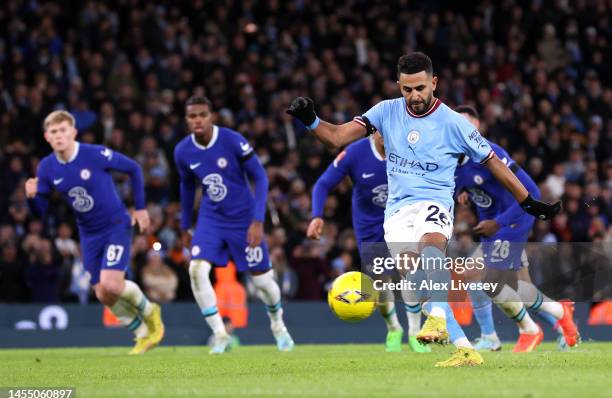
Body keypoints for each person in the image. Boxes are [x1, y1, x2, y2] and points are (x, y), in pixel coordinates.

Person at [287, 52, 560, 367]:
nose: (414, 96)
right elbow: (335, 137)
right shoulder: (385, 112)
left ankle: (441, 319)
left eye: (420, 88)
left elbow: (495, 163)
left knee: (432, 249)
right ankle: (466, 349)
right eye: (407, 89)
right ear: (398, 86)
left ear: (434, 82)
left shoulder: (454, 123)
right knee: (418, 284)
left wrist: (527, 201)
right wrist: (311, 120)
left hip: (434, 202)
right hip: (397, 213)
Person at [25, 110, 164, 355]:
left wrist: (141, 209)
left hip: (115, 225)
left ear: (73, 132)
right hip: (88, 233)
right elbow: (40, 212)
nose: (59, 136)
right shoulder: (47, 167)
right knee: (103, 294)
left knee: (112, 284)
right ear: (47, 136)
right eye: (54, 132)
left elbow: (133, 168)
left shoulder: (94, 154)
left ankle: (150, 312)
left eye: (63, 130)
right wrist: (32, 196)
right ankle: (142, 335)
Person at [453, 105, 579, 352]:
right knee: (521, 285)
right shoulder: (453, 156)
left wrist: (497, 223)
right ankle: (560, 319)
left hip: (512, 221)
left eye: (464, 124)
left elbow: (532, 192)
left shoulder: (491, 153)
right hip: (493, 226)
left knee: (484, 279)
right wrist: (462, 192)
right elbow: (466, 181)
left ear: (476, 127)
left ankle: (525, 330)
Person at [174, 95, 294, 354]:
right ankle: (219, 334)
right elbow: (186, 186)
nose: (197, 120)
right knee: (196, 270)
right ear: (186, 120)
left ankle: (278, 325)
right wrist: (185, 226)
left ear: (211, 117)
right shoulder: (182, 151)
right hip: (211, 219)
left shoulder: (232, 140)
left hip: (243, 219)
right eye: (192, 116)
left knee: (263, 283)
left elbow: (260, 178)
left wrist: (258, 221)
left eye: (202, 115)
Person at [308, 132, 428, 353]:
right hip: (369, 227)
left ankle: (414, 333)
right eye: (382, 130)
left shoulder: (410, 150)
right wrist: (317, 215)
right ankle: (393, 328)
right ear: (373, 131)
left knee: (409, 273)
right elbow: (323, 184)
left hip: (402, 219)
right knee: (381, 282)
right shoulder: (354, 153)